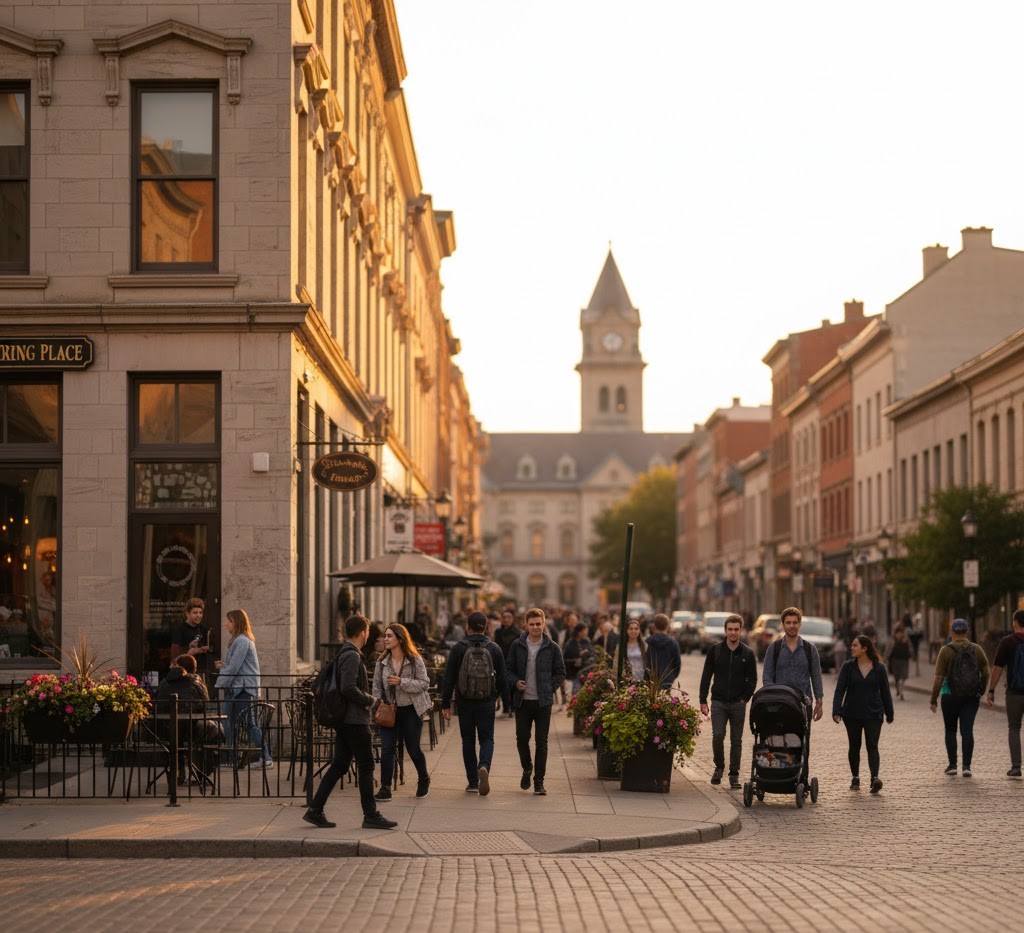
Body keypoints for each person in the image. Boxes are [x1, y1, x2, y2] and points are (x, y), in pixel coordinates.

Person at [304, 613, 397, 830]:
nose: (368, 637)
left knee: (339, 765)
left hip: (346, 719)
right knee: (366, 765)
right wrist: (371, 700)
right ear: (362, 633)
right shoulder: (352, 656)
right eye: (367, 632)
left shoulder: (345, 653)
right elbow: (347, 688)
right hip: (353, 720)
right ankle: (371, 815)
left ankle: (315, 809)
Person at [441, 610, 508, 796]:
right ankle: (484, 765)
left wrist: (445, 703)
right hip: (487, 701)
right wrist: (503, 700)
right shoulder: (494, 649)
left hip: (464, 702)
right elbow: (502, 678)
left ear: (467, 628)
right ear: (486, 627)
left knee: (468, 740)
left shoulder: (458, 648)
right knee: (487, 738)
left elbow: (449, 678)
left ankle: (472, 782)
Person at [505, 607, 566, 796]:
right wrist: (515, 682)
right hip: (523, 701)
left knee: (542, 742)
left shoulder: (552, 647)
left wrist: (549, 688)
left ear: (544, 623)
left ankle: (539, 781)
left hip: (543, 703)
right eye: (532, 624)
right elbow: (507, 670)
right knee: (522, 739)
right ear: (526, 625)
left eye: (538, 624)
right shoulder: (518, 645)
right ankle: (527, 768)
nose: (535, 628)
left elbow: (560, 672)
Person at [372, 622, 432, 800]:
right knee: (387, 748)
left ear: (400, 638)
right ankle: (385, 787)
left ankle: (423, 778)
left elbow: (424, 683)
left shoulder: (414, 660)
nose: (385, 639)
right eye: (385, 636)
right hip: (390, 711)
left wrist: (401, 682)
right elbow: (376, 686)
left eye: (389, 636)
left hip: (411, 711)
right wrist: (377, 705)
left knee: (413, 749)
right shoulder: (382, 663)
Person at [699, 614, 758, 789]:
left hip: (738, 703)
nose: (733, 632)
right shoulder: (715, 650)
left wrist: (744, 699)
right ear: (725, 630)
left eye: (736, 629)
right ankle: (719, 766)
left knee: (736, 740)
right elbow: (706, 676)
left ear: (741, 630)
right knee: (717, 736)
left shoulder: (747, 653)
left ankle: (734, 774)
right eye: (730, 629)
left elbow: (753, 679)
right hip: (718, 701)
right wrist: (703, 700)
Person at [832, 635, 894, 793]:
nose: (851, 648)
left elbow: (886, 692)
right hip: (851, 713)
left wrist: (889, 712)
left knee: (872, 745)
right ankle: (855, 778)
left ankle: (874, 779)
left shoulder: (879, 668)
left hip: (873, 713)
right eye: (852, 645)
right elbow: (840, 689)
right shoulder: (848, 666)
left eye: (855, 645)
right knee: (854, 746)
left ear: (865, 648)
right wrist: (836, 710)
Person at [929, 618, 990, 777]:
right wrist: (981, 690)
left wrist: (934, 698)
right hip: (970, 696)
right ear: (967, 631)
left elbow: (938, 677)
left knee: (950, 730)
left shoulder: (945, 650)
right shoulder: (976, 649)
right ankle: (967, 766)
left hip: (950, 695)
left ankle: (952, 765)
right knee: (967, 730)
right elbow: (986, 671)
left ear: (952, 632)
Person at [214, 608, 271, 769]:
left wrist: (219, 682)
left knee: (251, 723)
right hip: (236, 689)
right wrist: (223, 666)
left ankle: (265, 757)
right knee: (228, 723)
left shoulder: (242, 641)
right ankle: (231, 758)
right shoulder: (238, 641)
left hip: (244, 689)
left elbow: (234, 668)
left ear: (236, 623)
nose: (226, 624)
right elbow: (234, 667)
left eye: (229, 621)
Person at [154, 653, 224, 784]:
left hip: (166, 729)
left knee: (177, 739)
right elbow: (205, 705)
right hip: (192, 729)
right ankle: (202, 773)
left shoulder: (164, 683)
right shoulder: (197, 683)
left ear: (179, 667)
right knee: (212, 730)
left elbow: (156, 703)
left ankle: (178, 774)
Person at [762, 606, 825, 724]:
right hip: (780, 705)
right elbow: (767, 676)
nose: (792, 626)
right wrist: (772, 698)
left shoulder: (809, 649)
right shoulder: (774, 648)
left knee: (803, 741)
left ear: (800, 624)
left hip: (804, 705)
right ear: (783, 624)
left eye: (795, 622)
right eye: (788, 623)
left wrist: (819, 702)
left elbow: (816, 676)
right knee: (780, 741)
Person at [985, 608, 1024, 778]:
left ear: (1014, 623)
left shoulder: (1007, 642)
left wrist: (991, 690)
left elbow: (998, 668)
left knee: (1014, 728)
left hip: (1014, 692)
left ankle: (1016, 766)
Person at [170, 597, 212, 677]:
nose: (198, 615)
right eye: (195, 613)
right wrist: (189, 651)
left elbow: (209, 650)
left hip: (201, 671)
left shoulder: (203, 629)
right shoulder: (179, 629)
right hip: (184, 673)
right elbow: (174, 658)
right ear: (187, 614)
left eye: (200, 612)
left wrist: (205, 649)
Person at [492, 609, 521, 717]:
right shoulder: (498, 632)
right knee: (502, 684)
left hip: (514, 662)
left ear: (512, 619)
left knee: (512, 685)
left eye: (509, 617)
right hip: (501, 661)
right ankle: (505, 706)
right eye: (504, 617)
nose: (506, 620)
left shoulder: (517, 632)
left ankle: (512, 707)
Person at [645, 613, 682, 690]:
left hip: (650, 682)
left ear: (654, 626)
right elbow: (677, 664)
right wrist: (671, 677)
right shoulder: (673, 643)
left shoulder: (648, 642)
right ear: (668, 626)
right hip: (667, 682)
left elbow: (645, 662)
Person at [562, 622, 593, 694]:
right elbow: (564, 659)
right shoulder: (570, 643)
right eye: (584, 631)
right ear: (579, 632)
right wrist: (575, 660)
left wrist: (586, 654)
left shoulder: (587, 641)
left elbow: (592, 653)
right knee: (576, 692)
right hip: (574, 673)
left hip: (586, 671)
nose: (585, 633)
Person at [887, 627, 912, 700]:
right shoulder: (892, 641)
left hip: (904, 661)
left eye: (901, 633)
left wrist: (906, 644)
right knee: (896, 677)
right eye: (898, 633)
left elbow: (910, 649)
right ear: (895, 634)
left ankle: (901, 691)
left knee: (903, 676)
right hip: (894, 661)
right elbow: (888, 650)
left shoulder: (906, 640)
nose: (899, 635)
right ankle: (898, 688)